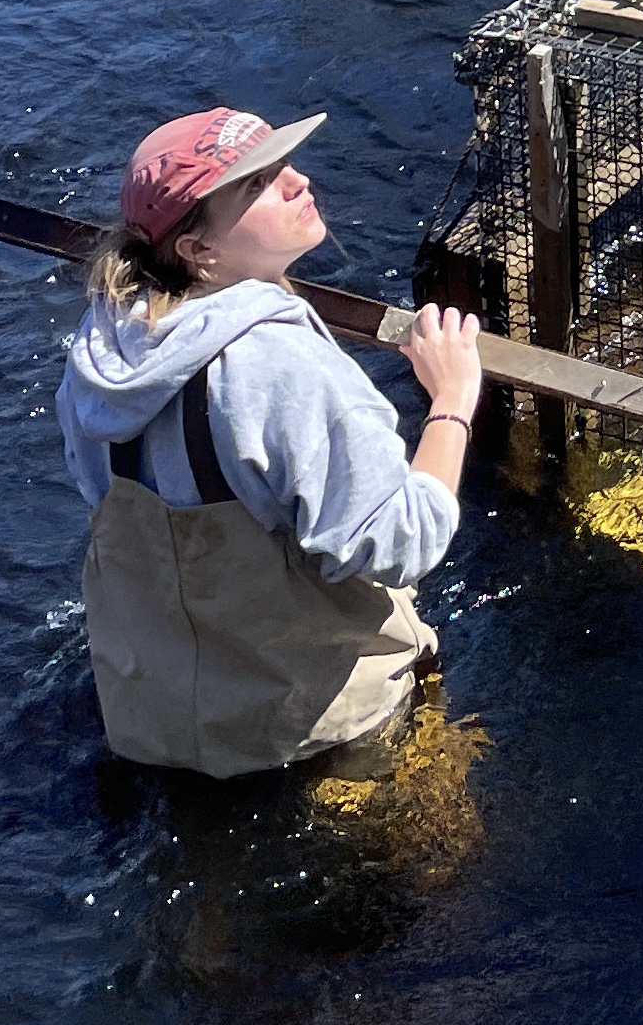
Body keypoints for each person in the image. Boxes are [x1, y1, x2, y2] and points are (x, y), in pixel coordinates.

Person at [59, 105, 482, 777]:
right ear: (199, 252)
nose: (298, 182)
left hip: (155, 722)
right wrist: (453, 400)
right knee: (447, 871)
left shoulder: (99, 352)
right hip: (318, 734)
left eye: (281, 164)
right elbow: (404, 544)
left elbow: (96, 491)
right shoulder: (282, 366)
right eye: (257, 185)